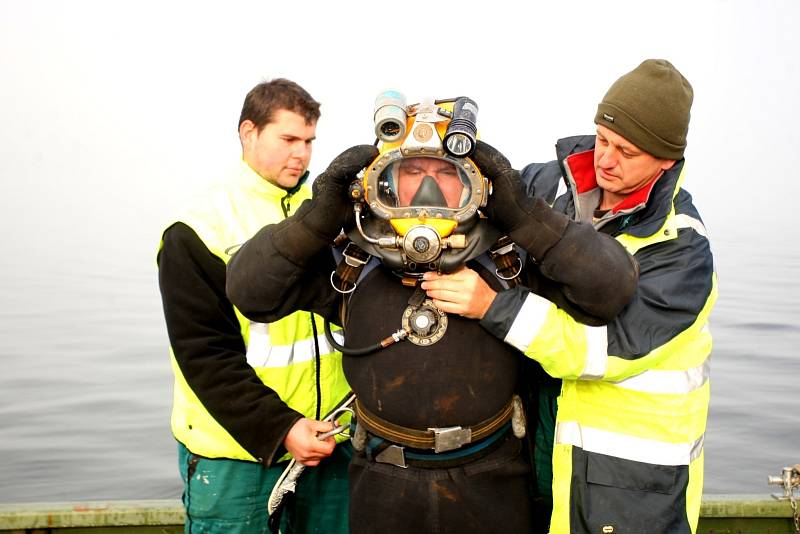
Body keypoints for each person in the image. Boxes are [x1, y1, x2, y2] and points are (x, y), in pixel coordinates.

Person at [225, 94, 639, 533]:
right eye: (413, 173)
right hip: (382, 483)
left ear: (472, 184)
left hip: (492, 480)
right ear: (383, 182)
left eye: (446, 173)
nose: (428, 191)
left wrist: (522, 215)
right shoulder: (354, 260)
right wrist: (317, 217)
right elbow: (249, 291)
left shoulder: (504, 259)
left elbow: (609, 290)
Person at [427, 59, 717, 533]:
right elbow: (474, 199)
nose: (605, 159)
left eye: (626, 151)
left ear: (666, 160)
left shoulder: (681, 249)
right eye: (603, 138)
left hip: (626, 481)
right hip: (540, 433)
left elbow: (601, 351)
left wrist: (491, 307)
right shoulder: (550, 185)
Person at [157, 78, 352, 534]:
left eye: (309, 141)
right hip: (238, 458)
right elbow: (204, 354)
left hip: (331, 446)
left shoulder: (337, 213)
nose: (301, 155)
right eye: (287, 139)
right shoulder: (198, 225)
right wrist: (282, 428)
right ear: (248, 133)